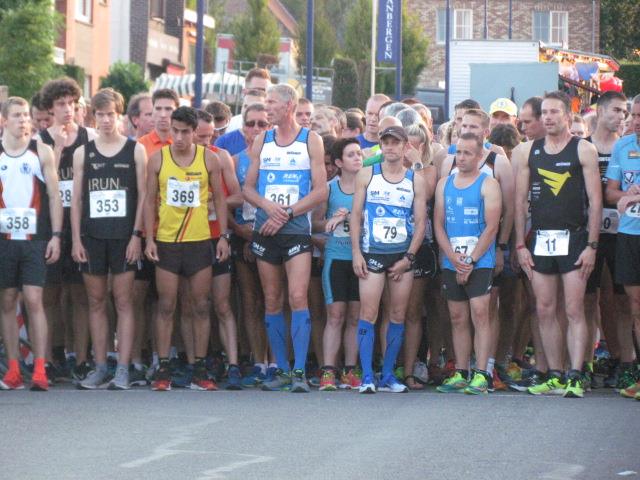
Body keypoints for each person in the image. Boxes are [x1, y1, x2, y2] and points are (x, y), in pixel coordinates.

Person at [514, 91, 602, 398]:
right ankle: (554, 372)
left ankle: (576, 373)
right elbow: (520, 201)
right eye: (545, 113)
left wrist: (592, 245)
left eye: (554, 112)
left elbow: (595, 201)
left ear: (567, 115)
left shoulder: (584, 149)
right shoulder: (529, 151)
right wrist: (519, 245)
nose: (548, 118)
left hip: (575, 238)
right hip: (540, 239)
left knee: (574, 308)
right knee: (544, 308)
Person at [243, 84, 328, 393]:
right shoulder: (262, 140)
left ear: (290, 105)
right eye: (266, 103)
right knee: (272, 299)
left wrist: (288, 213)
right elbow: (248, 188)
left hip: (295, 230)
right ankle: (280, 367)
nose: (267, 109)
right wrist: (268, 207)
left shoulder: (311, 140)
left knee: (297, 297)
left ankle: (299, 372)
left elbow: (321, 190)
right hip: (265, 230)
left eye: (273, 103)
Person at [144, 106, 230, 391]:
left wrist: (224, 237)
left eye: (184, 132)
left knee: (201, 305)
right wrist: (148, 239)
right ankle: (164, 369)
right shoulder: (157, 159)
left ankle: (200, 368)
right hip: (167, 243)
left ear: (195, 133)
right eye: (175, 131)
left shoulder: (210, 159)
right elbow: (148, 201)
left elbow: (219, 198)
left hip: (199, 242)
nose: (179, 137)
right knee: (167, 305)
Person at [70, 88, 147, 390]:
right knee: (96, 301)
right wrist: (76, 240)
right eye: (100, 115)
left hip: (124, 237)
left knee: (124, 300)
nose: (105, 120)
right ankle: (101, 365)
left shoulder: (135, 149)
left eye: (110, 114)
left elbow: (143, 197)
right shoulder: (83, 152)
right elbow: (76, 200)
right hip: (93, 237)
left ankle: (124, 368)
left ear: (120, 116)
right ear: (93, 116)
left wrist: (137, 236)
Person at [350, 126, 427, 394]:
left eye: (396, 142)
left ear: (406, 146)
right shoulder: (367, 174)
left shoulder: (415, 180)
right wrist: (357, 253)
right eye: (386, 142)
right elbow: (356, 215)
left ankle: (388, 375)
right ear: (380, 146)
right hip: (372, 253)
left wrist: (409, 257)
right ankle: (368, 376)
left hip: (401, 256)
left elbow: (420, 223)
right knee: (368, 313)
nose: (391, 147)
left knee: (397, 314)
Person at [0, 97, 63, 391]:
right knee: (7, 302)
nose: (23, 120)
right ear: (4, 120)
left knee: (34, 300)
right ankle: (13, 368)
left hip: (35, 239)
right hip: (4, 240)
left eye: (26, 115)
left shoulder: (41, 150)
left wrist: (56, 236)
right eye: (16, 115)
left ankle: (40, 367)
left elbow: (54, 195)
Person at [434, 132, 502, 395]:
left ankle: (482, 373)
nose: (461, 158)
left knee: (480, 313)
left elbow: (491, 226)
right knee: (457, 316)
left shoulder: (488, 184)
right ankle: (461, 371)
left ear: (479, 156)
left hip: (479, 260)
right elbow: (438, 224)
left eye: (467, 153)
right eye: (458, 152)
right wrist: (452, 257)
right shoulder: (443, 184)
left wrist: (471, 260)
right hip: (452, 259)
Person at [39, 77, 95, 382]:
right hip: (50, 226)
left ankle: (82, 358)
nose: (67, 109)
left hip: (82, 225)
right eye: (60, 104)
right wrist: (58, 149)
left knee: (81, 295)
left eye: (71, 103)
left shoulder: (89, 137)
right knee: (49, 297)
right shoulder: (41, 140)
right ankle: (49, 357)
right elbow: (43, 182)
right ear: (51, 108)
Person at [584, 91, 632, 390]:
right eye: (616, 110)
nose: (622, 116)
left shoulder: (625, 147)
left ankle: (623, 359)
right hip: (589, 232)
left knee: (622, 299)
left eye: (625, 112)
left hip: (621, 231)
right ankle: (586, 360)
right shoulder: (582, 146)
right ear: (600, 111)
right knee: (588, 299)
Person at [312, 138, 363, 391]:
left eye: (359, 153)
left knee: (355, 316)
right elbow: (315, 222)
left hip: (361, 259)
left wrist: (358, 217)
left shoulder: (369, 186)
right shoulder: (330, 189)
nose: (357, 158)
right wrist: (332, 219)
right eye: (351, 155)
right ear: (339, 162)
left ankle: (351, 370)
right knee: (335, 316)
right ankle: (329, 371)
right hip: (336, 258)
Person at [229, 103, 271, 387]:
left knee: (275, 301)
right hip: (243, 238)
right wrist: (246, 236)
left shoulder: (278, 159)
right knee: (251, 302)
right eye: (251, 124)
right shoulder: (233, 160)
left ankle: (277, 360)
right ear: (243, 128)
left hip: (273, 236)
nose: (256, 129)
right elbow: (227, 204)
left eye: (261, 124)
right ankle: (257, 360)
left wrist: (262, 236)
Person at [605, 93, 640, 399]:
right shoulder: (623, 146)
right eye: (635, 115)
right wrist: (628, 194)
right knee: (635, 306)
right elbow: (610, 193)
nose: (637, 122)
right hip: (629, 234)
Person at [215, 89, 266, 156]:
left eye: (256, 107)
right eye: (245, 106)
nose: (248, 110)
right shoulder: (224, 140)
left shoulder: (277, 141)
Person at [225, 68, 271, 133]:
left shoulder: (276, 127)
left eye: (266, 91)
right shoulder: (232, 125)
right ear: (245, 92)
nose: (262, 94)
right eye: (257, 90)